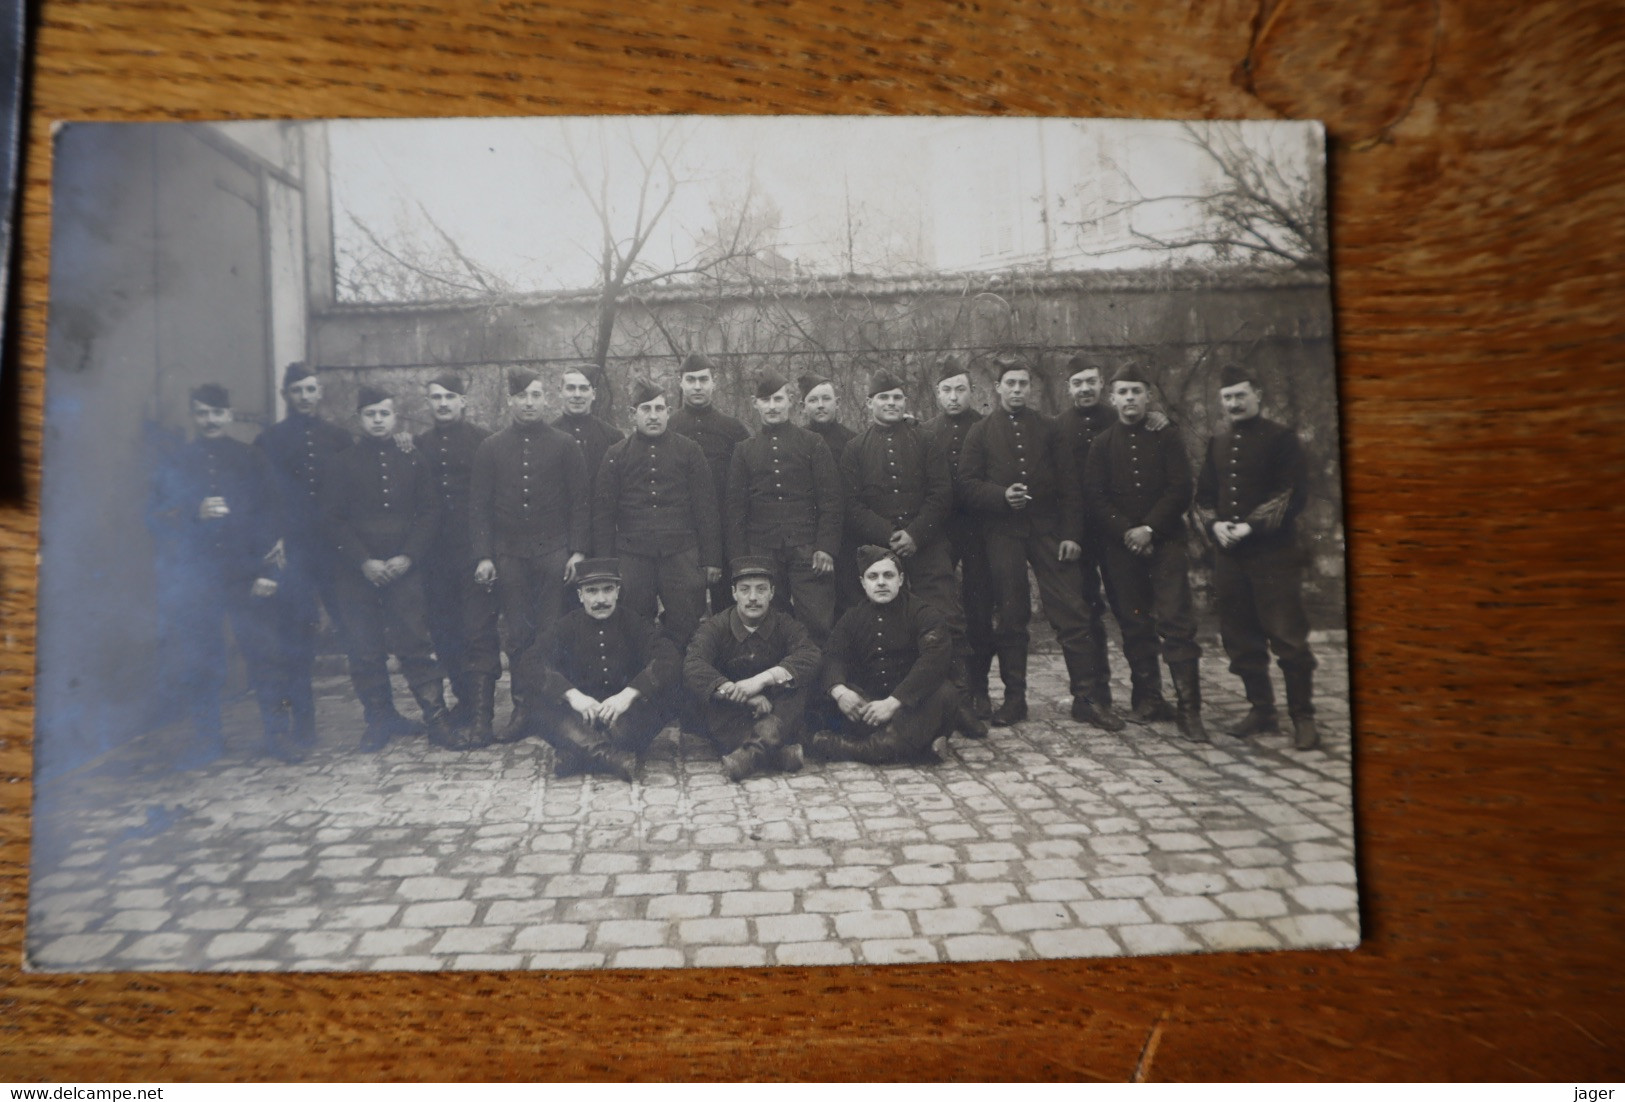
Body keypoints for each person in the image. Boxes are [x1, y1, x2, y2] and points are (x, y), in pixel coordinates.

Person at [959, 355, 1122, 731]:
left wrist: (1070, 535)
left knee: (1071, 611)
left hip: (1049, 532)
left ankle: (1086, 698)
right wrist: (1001, 495)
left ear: (1029, 389)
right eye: (1010, 384)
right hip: (1003, 534)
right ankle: (1015, 700)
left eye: (1022, 384)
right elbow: (966, 486)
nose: (1016, 390)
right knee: (1012, 616)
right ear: (997, 388)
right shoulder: (981, 432)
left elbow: (1070, 486)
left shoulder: (1050, 429)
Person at [147, 384, 293, 767]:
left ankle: (277, 735)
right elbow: (156, 516)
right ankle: (207, 739)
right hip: (200, 577)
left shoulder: (250, 457)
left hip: (247, 573)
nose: (209, 420)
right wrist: (195, 510)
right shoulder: (178, 461)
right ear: (193, 417)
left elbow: (273, 514)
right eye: (201, 413)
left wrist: (267, 571)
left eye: (216, 412)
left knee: (264, 655)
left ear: (228, 415)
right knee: (203, 660)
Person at [840, 367, 980, 735]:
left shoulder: (926, 439)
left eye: (897, 398)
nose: (890, 404)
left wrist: (915, 534)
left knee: (947, 617)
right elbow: (852, 505)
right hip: (879, 551)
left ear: (906, 402)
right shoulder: (855, 448)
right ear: (869, 403)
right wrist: (889, 536)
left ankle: (960, 702)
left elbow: (941, 492)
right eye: (883, 398)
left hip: (927, 545)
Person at [321, 386, 453, 752]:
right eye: (370, 414)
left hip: (403, 569)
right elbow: (333, 519)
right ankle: (380, 719)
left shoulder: (413, 458)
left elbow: (430, 511)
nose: (377, 420)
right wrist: (363, 561)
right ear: (359, 419)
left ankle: (436, 718)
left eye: (384, 413)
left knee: (415, 644)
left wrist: (408, 556)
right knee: (364, 649)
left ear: (395, 417)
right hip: (357, 573)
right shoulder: (342, 462)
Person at [1195, 363, 1319, 749]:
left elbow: (1291, 494)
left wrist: (1249, 526)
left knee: (1287, 636)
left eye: (1240, 395)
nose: (1234, 403)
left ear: (1257, 396)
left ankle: (1303, 717)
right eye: (1227, 397)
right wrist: (1214, 525)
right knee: (1239, 635)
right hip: (1230, 557)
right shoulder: (1217, 442)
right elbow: (1203, 497)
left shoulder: (1282, 440)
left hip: (1272, 554)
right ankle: (1261, 709)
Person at [1084, 362, 1205, 741]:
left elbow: (1180, 488)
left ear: (1148, 396)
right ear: (1112, 397)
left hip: (1165, 542)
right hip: (1121, 548)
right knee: (1134, 623)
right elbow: (1096, 497)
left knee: (1175, 622)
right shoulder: (1102, 444)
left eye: (1137, 391)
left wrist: (1149, 528)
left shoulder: (1166, 435)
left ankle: (1190, 711)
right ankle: (1149, 699)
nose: (1130, 398)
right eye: (1123, 392)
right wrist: (1128, 532)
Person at [469, 368, 590, 738]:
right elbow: (480, 506)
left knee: (552, 632)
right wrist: (485, 556)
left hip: (553, 552)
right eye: (522, 396)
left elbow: (580, 502)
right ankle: (522, 708)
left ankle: (551, 708)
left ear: (545, 399)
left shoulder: (564, 443)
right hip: (510, 556)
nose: (530, 403)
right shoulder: (491, 447)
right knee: (518, 634)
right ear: (511, 401)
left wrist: (578, 551)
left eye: (536, 395)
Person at [1054, 353, 1171, 714]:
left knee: (1133, 612)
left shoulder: (1122, 419)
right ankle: (1096, 694)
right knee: (1085, 615)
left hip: (1119, 534)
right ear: (1068, 387)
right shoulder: (1058, 427)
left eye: (1091, 381)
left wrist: (1160, 419)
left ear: (1102, 383)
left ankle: (1147, 694)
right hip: (1079, 536)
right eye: (1077, 383)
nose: (1085, 388)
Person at [510, 557, 681, 781]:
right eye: (592, 591)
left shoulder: (634, 623)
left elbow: (669, 657)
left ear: (618, 591)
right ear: (580, 595)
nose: (601, 599)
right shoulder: (566, 626)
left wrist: (628, 695)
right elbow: (529, 661)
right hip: (579, 716)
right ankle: (610, 757)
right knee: (535, 701)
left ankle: (577, 751)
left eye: (608, 590)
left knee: (667, 694)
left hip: (623, 719)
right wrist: (573, 696)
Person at [809, 545, 981, 765]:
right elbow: (833, 655)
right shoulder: (852, 617)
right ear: (863, 583)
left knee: (944, 694)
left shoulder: (924, 614)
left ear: (900, 579)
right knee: (820, 691)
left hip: (912, 706)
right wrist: (840, 691)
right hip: (871, 707)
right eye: (873, 576)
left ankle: (852, 747)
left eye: (888, 575)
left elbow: (932, 663)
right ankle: (918, 746)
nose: (881, 582)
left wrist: (893, 703)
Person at [257, 361, 352, 748]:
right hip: (294, 549)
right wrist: (273, 536)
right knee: (294, 637)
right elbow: (261, 498)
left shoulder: (339, 438)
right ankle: (303, 723)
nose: (305, 397)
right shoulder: (269, 441)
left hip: (337, 549)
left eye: (311, 389)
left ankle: (381, 717)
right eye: (297, 390)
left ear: (320, 392)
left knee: (357, 630)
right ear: (286, 395)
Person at [592, 379, 722, 646]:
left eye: (659, 409)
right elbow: (604, 514)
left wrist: (712, 558)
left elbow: (706, 508)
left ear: (667, 411)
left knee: (687, 625)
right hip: (633, 556)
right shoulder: (616, 454)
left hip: (682, 554)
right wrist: (607, 564)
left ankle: (684, 685)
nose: (653, 416)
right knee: (633, 625)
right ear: (633, 414)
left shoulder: (689, 451)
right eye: (646, 409)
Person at [413, 371, 500, 744]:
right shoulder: (417, 445)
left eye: (450, 397)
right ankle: (463, 703)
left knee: (478, 631)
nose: (443, 404)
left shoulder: (484, 442)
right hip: (434, 557)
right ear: (429, 403)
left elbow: (493, 501)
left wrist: (488, 552)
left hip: (474, 552)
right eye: (436, 398)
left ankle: (483, 715)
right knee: (445, 633)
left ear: (463, 401)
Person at [725, 371, 843, 641]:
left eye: (778, 399)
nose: (773, 406)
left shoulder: (812, 443)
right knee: (768, 622)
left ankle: (818, 681)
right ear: (755, 404)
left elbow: (831, 500)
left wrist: (825, 547)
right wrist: (741, 559)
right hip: (762, 550)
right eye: (765, 400)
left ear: (790, 401)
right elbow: (735, 509)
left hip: (808, 549)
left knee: (817, 621)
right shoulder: (744, 450)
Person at [684, 556, 822, 783]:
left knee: (798, 690)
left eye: (761, 590)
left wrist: (763, 680)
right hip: (734, 712)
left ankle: (749, 756)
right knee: (707, 701)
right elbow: (694, 663)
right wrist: (736, 692)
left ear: (772, 592)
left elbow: (810, 655)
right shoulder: (716, 626)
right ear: (734, 593)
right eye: (745, 590)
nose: (753, 598)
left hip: (775, 712)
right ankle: (780, 754)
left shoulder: (785, 624)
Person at [922, 354, 995, 719]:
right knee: (939, 608)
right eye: (947, 390)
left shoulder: (986, 428)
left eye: (960, 390)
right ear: (937, 394)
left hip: (979, 530)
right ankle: (945, 685)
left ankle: (979, 689)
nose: (954, 397)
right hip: (940, 532)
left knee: (980, 610)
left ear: (972, 392)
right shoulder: (925, 430)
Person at [668, 353, 751, 615]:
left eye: (703, 380)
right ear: (680, 383)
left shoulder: (733, 429)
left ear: (714, 383)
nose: (697, 386)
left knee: (726, 605)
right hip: (683, 531)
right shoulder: (669, 426)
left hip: (726, 529)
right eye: (690, 380)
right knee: (682, 607)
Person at [552, 366, 624, 484]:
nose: (577, 395)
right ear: (560, 392)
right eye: (570, 388)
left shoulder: (613, 437)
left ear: (594, 394)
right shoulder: (548, 436)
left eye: (584, 389)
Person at [800, 372, 856, 457]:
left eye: (826, 399)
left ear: (837, 403)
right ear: (803, 406)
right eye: (813, 400)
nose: (820, 405)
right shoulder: (797, 440)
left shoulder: (853, 441)